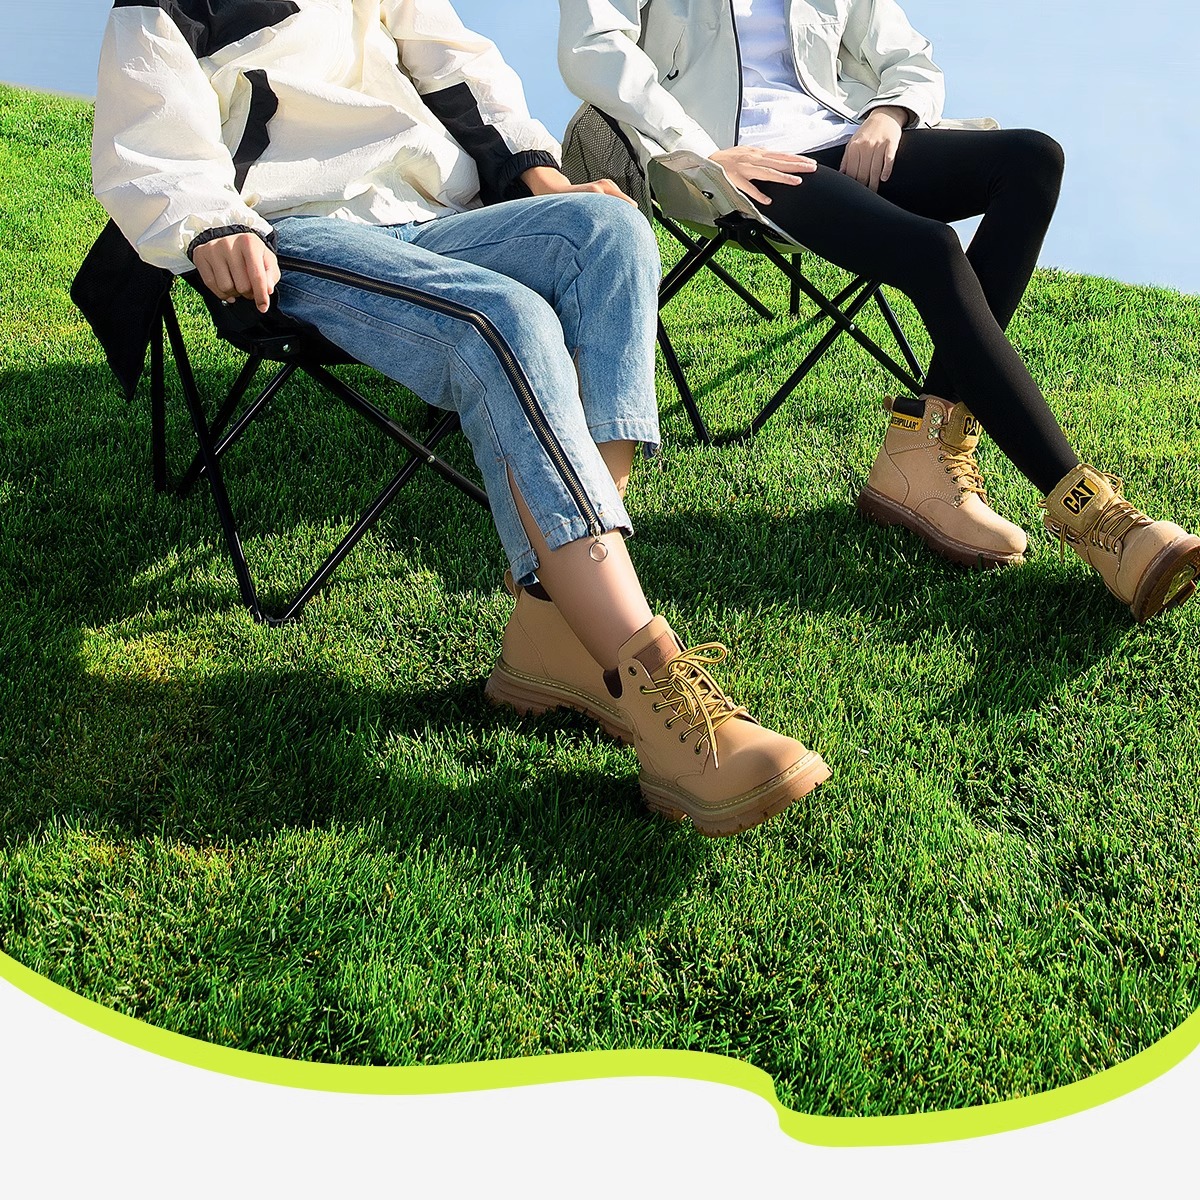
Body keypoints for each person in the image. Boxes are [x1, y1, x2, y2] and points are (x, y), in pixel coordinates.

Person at [88, 0, 831, 836]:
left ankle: (554, 618)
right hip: (292, 232)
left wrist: (541, 173)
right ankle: (647, 678)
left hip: (437, 221)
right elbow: (146, 131)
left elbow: (462, 69)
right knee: (503, 322)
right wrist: (211, 222)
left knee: (610, 228)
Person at [557, 0, 1200, 620]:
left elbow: (904, 52)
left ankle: (920, 452)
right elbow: (592, 45)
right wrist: (695, 146)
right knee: (932, 248)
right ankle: (1098, 520)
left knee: (1032, 161)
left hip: (843, 138)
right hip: (728, 163)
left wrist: (888, 114)